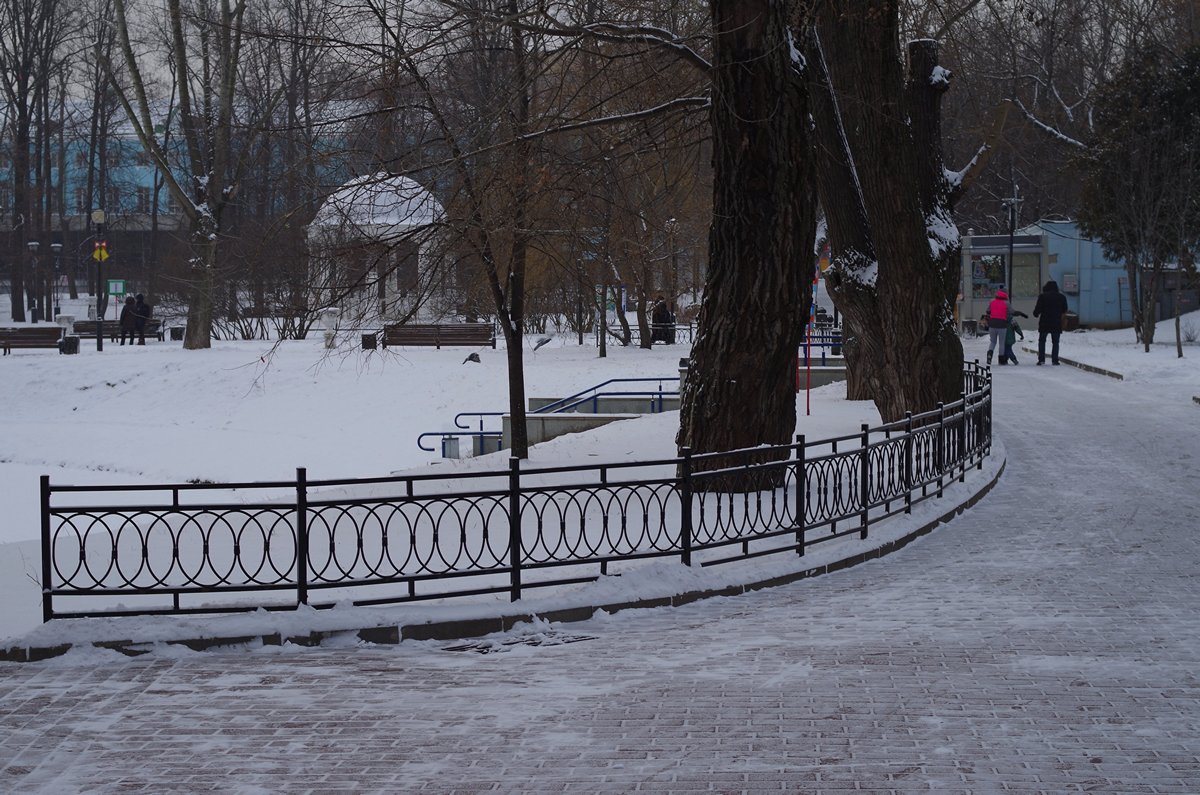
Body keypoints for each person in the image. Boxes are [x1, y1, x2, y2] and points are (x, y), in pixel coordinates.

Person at [1032, 280, 1069, 365]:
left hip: (1044, 322)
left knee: (1042, 341)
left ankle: (1041, 359)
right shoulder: (1062, 297)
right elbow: (1064, 309)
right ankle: (1055, 360)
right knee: (1055, 342)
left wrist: (1036, 314)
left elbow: (1038, 309)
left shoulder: (1042, 297)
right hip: (1056, 322)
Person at [985, 289, 1009, 366]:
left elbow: (988, 311)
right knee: (1001, 343)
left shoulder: (992, 301)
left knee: (993, 341)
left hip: (992, 324)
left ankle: (989, 356)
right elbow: (1011, 311)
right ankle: (1001, 360)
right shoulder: (1006, 303)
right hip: (1002, 324)